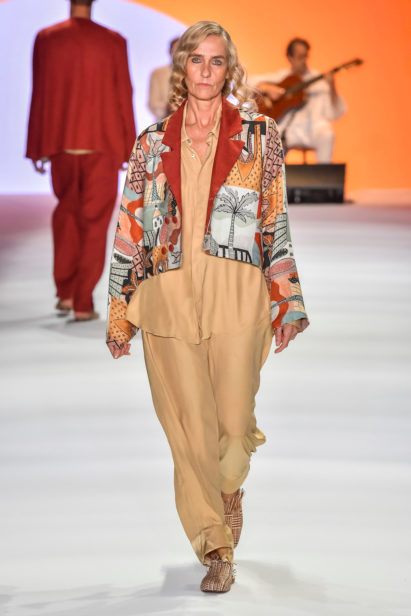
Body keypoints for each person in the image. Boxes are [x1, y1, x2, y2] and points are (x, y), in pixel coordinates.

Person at [106, 21, 309, 593]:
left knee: (234, 427)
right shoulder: (152, 142)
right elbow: (129, 225)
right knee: (189, 433)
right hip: (167, 298)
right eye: (197, 59)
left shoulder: (260, 135)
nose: (206, 71)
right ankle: (215, 543)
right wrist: (119, 309)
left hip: (237, 293)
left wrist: (286, 298)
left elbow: (274, 216)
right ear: (182, 68)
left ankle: (229, 488)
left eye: (217, 61)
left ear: (229, 70)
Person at [26, 0, 136, 321]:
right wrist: (129, 147)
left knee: (67, 216)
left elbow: (40, 91)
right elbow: (123, 94)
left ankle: (65, 293)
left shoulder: (47, 38)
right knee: (94, 223)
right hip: (103, 144)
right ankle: (82, 302)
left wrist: (37, 145)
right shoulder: (113, 41)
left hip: (62, 143)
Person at [249, 38, 346, 162]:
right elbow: (247, 82)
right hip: (288, 129)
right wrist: (266, 88)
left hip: (313, 129)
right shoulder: (282, 78)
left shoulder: (319, 81)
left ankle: (325, 174)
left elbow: (335, 113)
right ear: (290, 58)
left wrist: (332, 87)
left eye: (306, 56)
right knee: (268, 137)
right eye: (300, 57)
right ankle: (271, 174)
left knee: (327, 134)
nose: (304, 61)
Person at [147, 37, 180, 121]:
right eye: (176, 50)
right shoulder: (158, 73)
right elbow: (153, 104)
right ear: (170, 51)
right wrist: (167, 107)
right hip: (165, 123)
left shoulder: (196, 73)